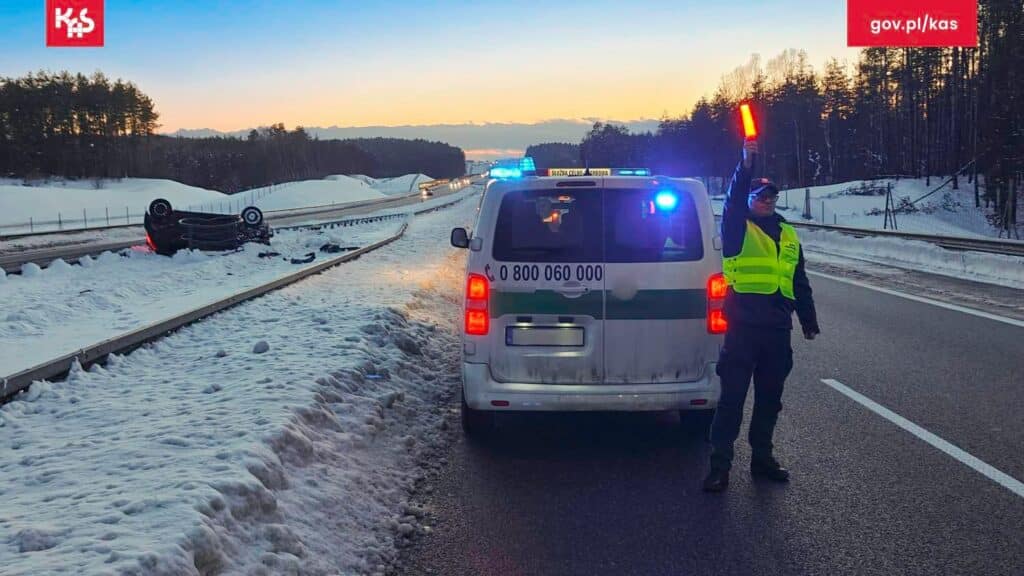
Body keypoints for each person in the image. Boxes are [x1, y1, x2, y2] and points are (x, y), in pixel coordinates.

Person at [703, 140, 820, 493]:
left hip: (776, 331)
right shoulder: (738, 227)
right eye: (760, 196)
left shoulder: (788, 234)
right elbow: (735, 198)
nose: (767, 200)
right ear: (750, 200)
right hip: (743, 329)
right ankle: (719, 466)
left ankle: (762, 458)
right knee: (732, 400)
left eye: (771, 196)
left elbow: (798, 280)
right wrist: (746, 164)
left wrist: (808, 321)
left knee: (770, 400)